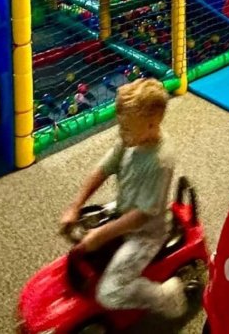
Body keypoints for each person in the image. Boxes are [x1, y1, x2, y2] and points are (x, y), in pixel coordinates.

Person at [59, 78, 187, 318]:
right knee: (84, 227)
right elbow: (103, 169)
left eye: (127, 128)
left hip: (146, 233)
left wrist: (101, 235)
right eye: (121, 126)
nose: (121, 133)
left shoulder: (160, 161)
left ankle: (167, 296)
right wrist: (75, 206)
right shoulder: (129, 139)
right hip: (123, 208)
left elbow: (141, 217)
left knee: (109, 293)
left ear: (151, 124)